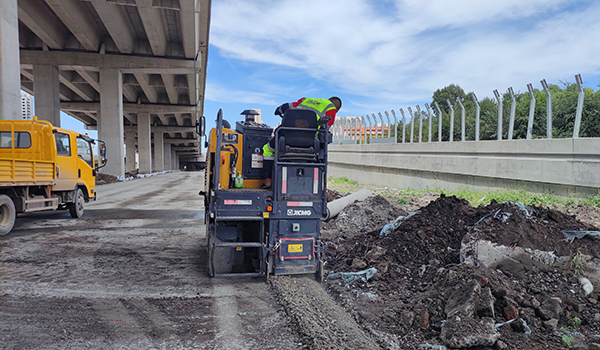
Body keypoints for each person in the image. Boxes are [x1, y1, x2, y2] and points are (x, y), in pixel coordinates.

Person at [261, 97, 341, 189]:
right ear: (337, 108)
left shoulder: (305, 100)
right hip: (309, 142)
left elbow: (287, 106)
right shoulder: (331, 108)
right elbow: (326, 128)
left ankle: (268, 181)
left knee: (267, 149)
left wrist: (279, 110)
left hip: (287, 138)